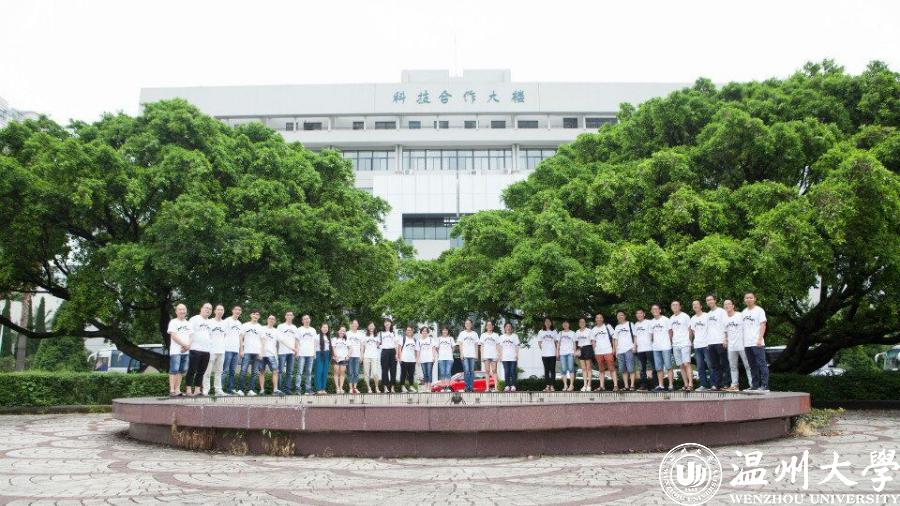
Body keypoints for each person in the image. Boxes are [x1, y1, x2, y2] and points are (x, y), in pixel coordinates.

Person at [742, 292, 769, 393]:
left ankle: (765, 385)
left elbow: (763, 325)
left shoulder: (759, 310)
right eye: (747, 298)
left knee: (762, 364)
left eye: (750, 298)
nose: (748, 299)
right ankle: (755, 385)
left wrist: (759, 338)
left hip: (757, 342)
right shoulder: (744, 312)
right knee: (752, 365)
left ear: (754, 299)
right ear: (744, 300)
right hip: (747, 343)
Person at [184, 303, 213, 397]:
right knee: (192, 370)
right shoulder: (194, 319)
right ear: (201, 308)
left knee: (201, 372)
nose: (208, 310)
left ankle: (197, 390)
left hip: (206, 350)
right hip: (195, 349)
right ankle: (188, 390)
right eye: (206, 308)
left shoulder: (210, 322)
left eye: (210, 309)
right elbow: (189, 333)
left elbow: (210, 336)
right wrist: (187, 345)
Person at [724, 299, 752, 391]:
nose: (727, 306)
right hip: (731, 346)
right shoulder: (724, 319)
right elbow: (725, 332)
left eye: (729, 304)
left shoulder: (740, 315)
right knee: (733, 366)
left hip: (742, 345)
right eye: (725, 304)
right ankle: (734, 385)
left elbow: (747, 328)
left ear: (733, 306)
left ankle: (752, 385)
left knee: (747, 365)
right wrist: (725, 340)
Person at [166, 304, 192, 397]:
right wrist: (184, 345)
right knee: (174, 370)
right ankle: (172, 390)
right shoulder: (173, 322)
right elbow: (173, 336)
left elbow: (191, 336)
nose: (182, 311)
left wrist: (187, 346)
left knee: (182, 371)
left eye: (184, 309)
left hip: (186, 351)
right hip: (176, 351)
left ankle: (177, 390)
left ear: (186, 311)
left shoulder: (188, 323)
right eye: (180, 309)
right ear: (176, 311)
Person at [705, 295, 729, 390]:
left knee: (724, 364)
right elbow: (708, 329)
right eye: (707, 300)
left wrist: (725, 339)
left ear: (715, 300)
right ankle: (716, 384)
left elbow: (726, 326)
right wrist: (707, 342)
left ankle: (726, 384)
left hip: (720, 342)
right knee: (714, 365)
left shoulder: (722, 311)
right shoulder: (708, 314)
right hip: (711, 343)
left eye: (710, 299)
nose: (709, 301)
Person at [202, 304, 227, 396]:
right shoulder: (210, 322)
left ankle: (218, 390)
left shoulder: (225, 323)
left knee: (219, 372)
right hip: (211, 351)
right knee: (207, 372)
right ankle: (206, 390)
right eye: (218, 309)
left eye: (222, 310)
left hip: (221, 351)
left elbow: (225, 336)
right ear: (215, 311)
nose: (220, 311)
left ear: (223, 312)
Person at [237, 309, 263, 396]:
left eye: (257, 314)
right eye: (254, 314)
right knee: (243, 371)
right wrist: (241, 350)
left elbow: (262, 341)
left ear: (259, 317)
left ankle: (251, 390)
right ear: (251, 315)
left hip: (257, 352)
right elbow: (241, 338)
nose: (255, 316)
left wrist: (261, 352)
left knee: (254, 372)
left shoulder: (260, 327)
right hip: (247, 352)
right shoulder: (245, 325)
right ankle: (241, 389)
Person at [669, 301, 693, 391]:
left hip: (685, 343)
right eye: (673, 305)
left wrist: (689, 341)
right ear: (671, 307)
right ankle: (686, 384)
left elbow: (690, 329)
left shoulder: (685, 316)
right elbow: (671, 332)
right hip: (675, 344)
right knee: (681, 365)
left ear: (680, 307)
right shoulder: (671, 318)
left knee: (687, 363)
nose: (675, 306)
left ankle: (691, 384)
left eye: (676, 305)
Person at [649, 304, 674, 391]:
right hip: (656, 348)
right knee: (658, 368)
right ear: (651, 311)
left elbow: (670, 332)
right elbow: (651, 335)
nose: (655, 311)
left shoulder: (666, 319)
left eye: (656, 309)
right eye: (653, 309)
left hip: (666, 347)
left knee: (668, 366)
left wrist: (669, 342)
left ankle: (671, 385)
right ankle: (661, 385)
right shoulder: (651, 322)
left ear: (660, 310)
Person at [591, 314, 617, 392]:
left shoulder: (608, 326)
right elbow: (593, 341)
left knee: (611, 368)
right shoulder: (593, 329)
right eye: (597, 318)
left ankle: (615, 386)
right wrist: (595, 350)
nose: (599, 319)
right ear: (595, 319)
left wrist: (614, 348)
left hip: (608, 350)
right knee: (601, 370)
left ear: (603, 319)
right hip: (598, 352)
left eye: (600, 318)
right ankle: (602, 386)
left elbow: (614, 337)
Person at [689, 301, 711, 391]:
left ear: (701, 306)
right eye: (693, 305)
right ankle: (703, 385)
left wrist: (709, 341)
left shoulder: (707, 316)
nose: (695, 306)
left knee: (710, 365)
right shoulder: (693, 318)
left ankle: (714, 384)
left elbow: (710, 329)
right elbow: (693, 331)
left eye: (697, 304)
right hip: (697, 346)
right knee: (700, 366)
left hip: (707, 344)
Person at [613, 311, 636, 391]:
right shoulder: (617, 327)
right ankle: (626, 386)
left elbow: (635, 336)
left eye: (621, 315)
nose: (620, 317)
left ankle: (632, 385)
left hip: (629, 349)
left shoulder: (630, 324)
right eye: (618, 315)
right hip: (620, 351)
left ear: (625, 316)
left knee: (631, 368)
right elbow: (615, 339)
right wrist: (616, 351)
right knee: (623, 369)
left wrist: (634, 346)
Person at [258, 315, 281, 395]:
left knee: (275, 371)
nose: (271, 320)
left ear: (275, 321)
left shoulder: (276, 331)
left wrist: (292, 348)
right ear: (267, 320)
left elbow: (281, 341)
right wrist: (260, 352)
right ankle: (262, 390)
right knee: (261, 372)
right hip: (262, 354)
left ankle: (275, 389)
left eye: (273, 319)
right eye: (270, 318)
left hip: (272, 354)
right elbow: (260, 340)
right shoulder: (262, 328)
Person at [222, 306, 243, 394]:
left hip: (236, 351)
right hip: (227, 349)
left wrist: (241, 350)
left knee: (232, 371)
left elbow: (240, 337)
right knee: (225, 370)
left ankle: (230, 389)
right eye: (236, 309)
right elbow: (223, 334)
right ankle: (220, 389)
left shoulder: (239, 323)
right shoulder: (227, 321)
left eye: (239, 310)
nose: (238, 311)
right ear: (232, 310)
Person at [276, 311, 298, 394]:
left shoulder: (294, 327)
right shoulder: (280, 326)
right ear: (285, 316)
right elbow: (278, 340)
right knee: (279, 371)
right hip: (282, 352)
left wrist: (296, 350)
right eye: (288, 315)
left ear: (293, 317)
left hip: (291, 353)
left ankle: (287, 389)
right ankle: (278, 389)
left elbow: (296, 339)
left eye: (291, 315)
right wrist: (277, 351)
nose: (289, 316)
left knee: (290, 372)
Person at [294, 315, 316, 395]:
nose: (307, 320)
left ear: (310, 320)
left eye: (308, 318)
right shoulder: (299, 329)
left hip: (310, 354)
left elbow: (314, 342)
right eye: (305, 319)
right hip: (301, 353)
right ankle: (298, 389)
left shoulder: (313, 330)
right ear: (302, 321)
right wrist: (297, 352)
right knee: (299, 372)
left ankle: (308, 389)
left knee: (309, 373)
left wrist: (314, 353)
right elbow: (296, 341)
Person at [456, 319, 479, 393]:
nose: (468, 325)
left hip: (472, 355)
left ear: (471, 325)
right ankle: (466, 387)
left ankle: (471, 387)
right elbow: (460, 344)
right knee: (466, 371)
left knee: (471, 371)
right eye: (466, 323)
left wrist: (476, 355)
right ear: (465, 325)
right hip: (465, 355)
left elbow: (476, 345)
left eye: (469, 323)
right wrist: (461, 353)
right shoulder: (462, 333)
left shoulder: (474, 334)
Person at [633, 309, 653, 391]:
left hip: (649, 348)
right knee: (642, 368)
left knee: (653, 367)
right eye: (637, 313)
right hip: (640, 349)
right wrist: (634, 346)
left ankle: (656, 385)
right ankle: (643, 386)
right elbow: (635, 336)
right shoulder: (636, 324)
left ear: (644, 314)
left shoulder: (649, 322)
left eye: (640, 313)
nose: (639, 315)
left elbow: (652, 334)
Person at [537, 318, 559, 392]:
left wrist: (557, 352)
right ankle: (547, 386)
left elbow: (556, 342)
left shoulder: (554, 331)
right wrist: (543, 349)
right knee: (546, 370)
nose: (547, 323)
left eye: (549, 321)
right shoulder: (541, 332)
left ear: (551, 323)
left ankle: (552, 386)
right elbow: (539, 342)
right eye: (546, 321)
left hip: (552, 353)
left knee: (552, 370)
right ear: (544, 323)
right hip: (544, 354)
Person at [479, 320, 500, 392]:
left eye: (490, 325)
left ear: (493, 326)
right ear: (486, 327)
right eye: (488, 325)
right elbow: (481, 346)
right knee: (487, 371)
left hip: (494, 355)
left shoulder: (496, 335)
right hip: (486, 355)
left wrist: (498, 355)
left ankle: (496, 387)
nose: (489, 326)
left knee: (494, 371)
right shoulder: (483, 335)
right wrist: (482, 356)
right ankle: (487, 388)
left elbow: (498, 345)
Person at [378, 318, 398, 393]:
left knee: (393, 370)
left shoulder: (394, 333)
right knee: (384, 370)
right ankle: (385, 387)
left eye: (388, 322)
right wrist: (381, 346)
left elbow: (396, 344)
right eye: (386, 322)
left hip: (393, 351)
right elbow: (378, 344)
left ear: (390, 324)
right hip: (384, 352)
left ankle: (392, 387)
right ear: (384, 324)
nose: (387, 323)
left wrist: (396, 354)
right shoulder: (380, 333)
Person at [574, 317, 594, 391]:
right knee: (583, 368)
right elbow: (575, 342)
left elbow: (592, 341)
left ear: (585, 323)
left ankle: (589, 385)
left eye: (583, 322)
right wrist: (575, 351)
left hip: (588, 348)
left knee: (588, 368)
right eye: (580, 322)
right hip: (580, 349)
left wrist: (593, 350)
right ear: (579, 323)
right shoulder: (577, 332)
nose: (582, 323)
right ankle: (585, 385)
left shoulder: (589, 331)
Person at [398, 325, 420, 392]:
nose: (409, 331)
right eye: (408, 330)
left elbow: (416, 350)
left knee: (411, 374)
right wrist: (400, 358)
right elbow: (399, 349)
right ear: (406, 331)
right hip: (404, 359)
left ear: (412, 331)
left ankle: (411, 386)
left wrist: (417, 359)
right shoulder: (403, 339)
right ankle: (402, 387)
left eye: (410, 330)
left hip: (412, 360)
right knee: (403, 374)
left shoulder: (415, 340)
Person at [499, 322, 520, 392]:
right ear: (504, 328)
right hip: (505, 357)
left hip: (513, 357)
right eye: (507, 326)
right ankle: (507, 386)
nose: (508, 328)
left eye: (509, 326)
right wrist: (500, 355)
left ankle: (513, 385)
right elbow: (500, 347)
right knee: (506, 371)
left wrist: (517, 354)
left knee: (513, 371)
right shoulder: (501, 337)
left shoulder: (515, 336)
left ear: (511, 328)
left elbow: (517, 346)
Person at [361, 322, 381, 393]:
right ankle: (369, 388)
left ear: (374, 327)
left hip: (374, 357)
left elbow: (378, 345)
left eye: (372, 326)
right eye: (370, 326)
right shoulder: (364, 336)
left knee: (375, 373)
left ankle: (377, 387)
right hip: (366, 356)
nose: (371, 327)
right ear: (368, 327)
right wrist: (361, 356)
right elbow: (362, 347)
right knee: (366, 373)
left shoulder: (377, 336)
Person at [346, 320, 364, 394]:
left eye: (356, 324)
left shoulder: (360, 334)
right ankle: (350, 388)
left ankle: (355, 387)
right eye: (353, 324)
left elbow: (362, 346)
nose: (355, 325)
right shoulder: (347, 333)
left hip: (357, 355)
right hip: (349, 356)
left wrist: (362, 355)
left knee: (356, 372)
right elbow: (345, 344)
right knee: (350, 372)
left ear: (358, 325)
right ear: (351, 325)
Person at [313, 322, 332, 395]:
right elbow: (314, 347)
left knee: (325, 372)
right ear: (321, 328)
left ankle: (323, 388)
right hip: (319, 354)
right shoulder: (317, 337)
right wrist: (314, 356)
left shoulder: (328, 337)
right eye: (323, 327)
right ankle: (318, 389)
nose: (325, 329)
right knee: (319, 371)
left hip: (327, 354)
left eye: (326, 327)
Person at [557, 320, 576, 391]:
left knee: (571, 368)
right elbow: (558, 343)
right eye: (564, 323)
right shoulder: (560, 333)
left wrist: (574, 352)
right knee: (563, 369)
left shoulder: (572, 333)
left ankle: (571, 385)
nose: (565, 324)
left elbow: (574, 343)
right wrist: (557, 352)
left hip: (570, 352)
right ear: (562, 325)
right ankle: (565, 385)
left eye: (566, 323)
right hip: (562, 353)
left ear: (569, 324)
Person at [436, 326, 455, 392]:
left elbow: (453, 347)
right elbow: (437, 348)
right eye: (443, 330)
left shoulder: (451, 338)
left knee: (448, 372)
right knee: (442, 372)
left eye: (446, 330)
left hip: (449, 358)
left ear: (448, 331)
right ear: (442, 331)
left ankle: (448, 386)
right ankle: (443, 387)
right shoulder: (439, 339)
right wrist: (440, 353)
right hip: (441, 358)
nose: (445, 331)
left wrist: (450, 353)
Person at [332, 326, 350, 393]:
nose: (342, 332)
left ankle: (341, 387)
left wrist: (348, 355)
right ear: (338, 331)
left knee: (342, 373)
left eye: (344, 331)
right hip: (336, 358)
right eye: (341, 330)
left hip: (343, 359)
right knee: (336, 373)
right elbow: (333, 348)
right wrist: (336, 355)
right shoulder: (334, 339)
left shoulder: (346, 340)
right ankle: (337, 388)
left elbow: (351, 348)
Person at [418, 326, 436, 393]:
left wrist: (433, 357)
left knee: (429, 373)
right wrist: (418, 359)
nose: (424, 332)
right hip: (422, 359)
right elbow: (418, 350)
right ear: (421, 332)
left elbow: (433, 348)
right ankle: (425, 388)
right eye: (423, 331)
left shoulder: (431, 339)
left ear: (427, 332)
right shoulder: (419, 341)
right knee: (425, 374)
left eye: (425, 331)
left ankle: (429, 387)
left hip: (429, 359)